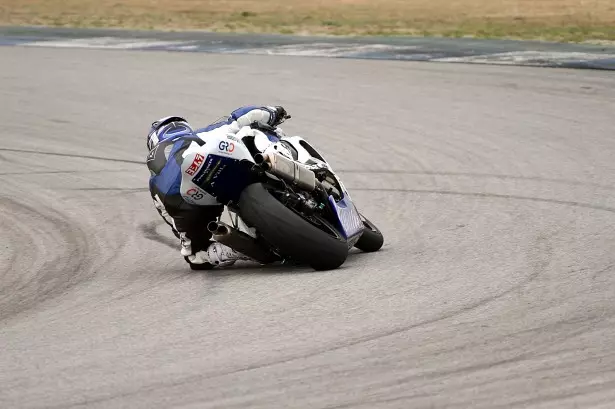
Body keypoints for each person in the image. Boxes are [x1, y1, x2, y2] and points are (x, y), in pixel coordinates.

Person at [146, 105, 291, 270]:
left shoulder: (154, 179)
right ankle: (284, 165)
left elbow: (169, 216)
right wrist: (273, 112)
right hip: (216, 164)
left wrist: (188, 238)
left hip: (178, 195)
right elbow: (241, 118)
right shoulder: (199, 134)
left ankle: (238, 248)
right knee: (251, 134)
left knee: (195, 257)